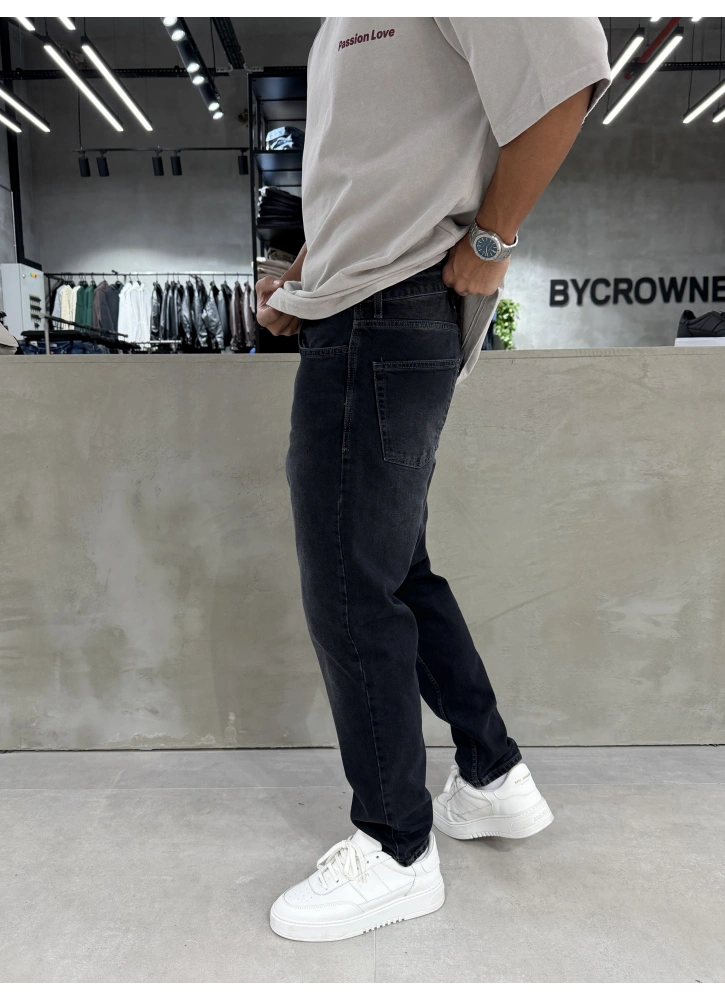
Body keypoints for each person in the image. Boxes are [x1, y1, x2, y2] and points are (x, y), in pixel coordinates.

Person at [256, 16, 611, 942]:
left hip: (388, 306)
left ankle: (395, 850)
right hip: (359, 302)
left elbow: (567, 73)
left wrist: (492, 241)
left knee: (349, 585)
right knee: (391, 569)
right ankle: (491, 774)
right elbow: (380, 170)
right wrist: (306, 274)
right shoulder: (344, 21)